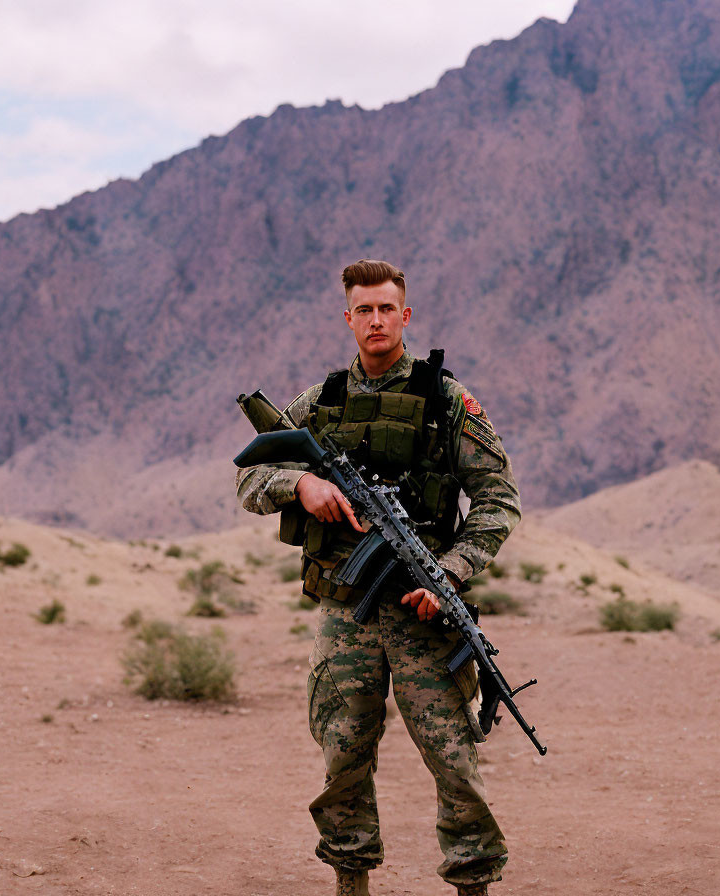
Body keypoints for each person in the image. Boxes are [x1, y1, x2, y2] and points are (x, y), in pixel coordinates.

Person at [235, 259, 521, 896]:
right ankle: (350, 883)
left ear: (405, 315)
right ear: (348, 318)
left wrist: (450, 569)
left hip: (425, 614)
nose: (375, 320)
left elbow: (499, 500)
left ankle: (473, 885)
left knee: (454, 763)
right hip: (345, 615)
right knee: (342, 756)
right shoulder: (320, 402)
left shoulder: (446, 400)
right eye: (363, 310)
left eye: (386, 308)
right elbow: (250, 476)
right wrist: (300, 483)